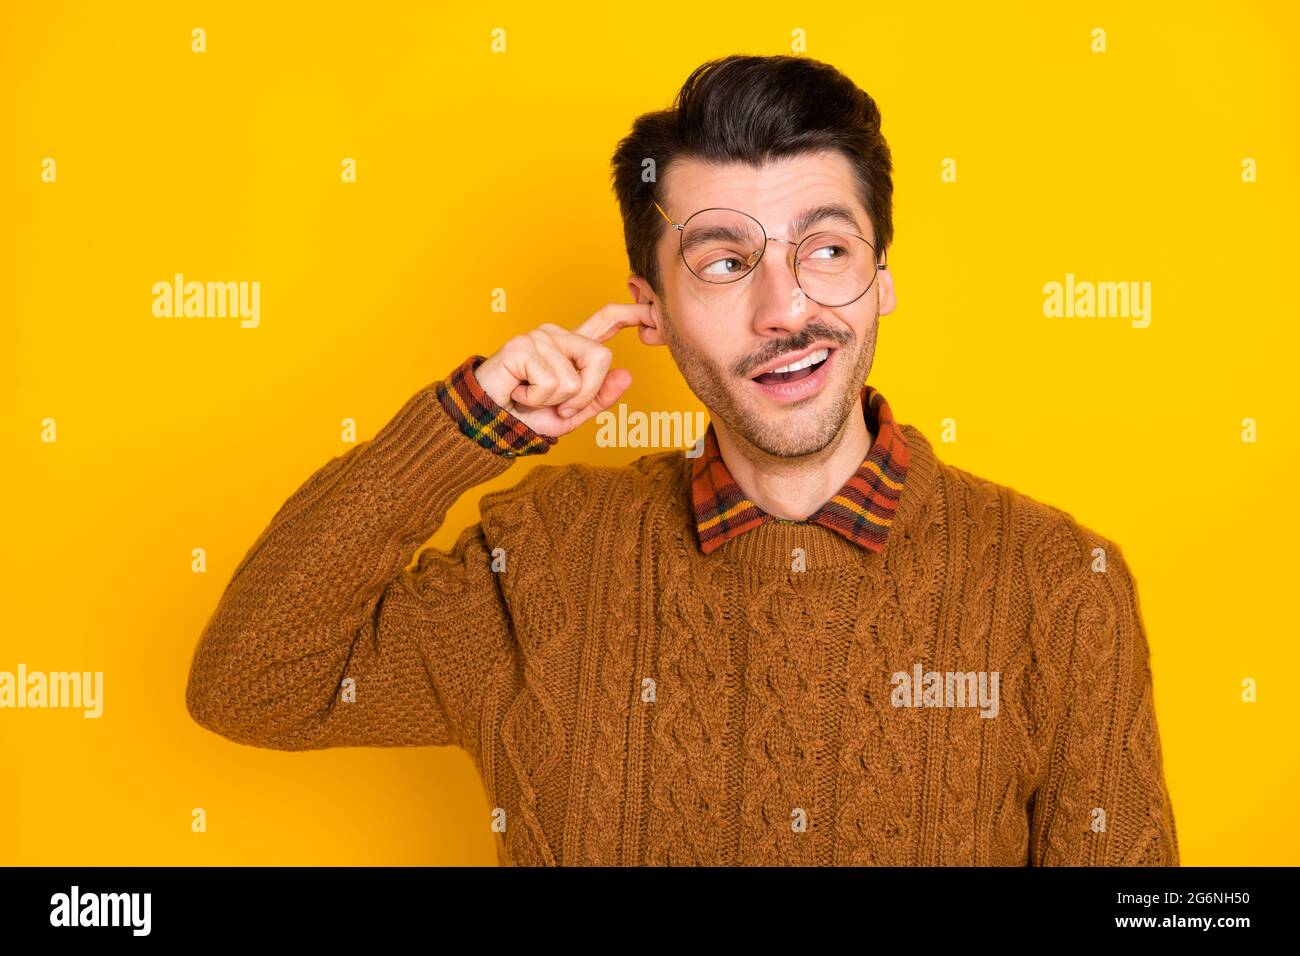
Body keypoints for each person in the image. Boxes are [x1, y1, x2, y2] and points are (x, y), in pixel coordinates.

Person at [185, 53, 1179, 867]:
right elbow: (254, 683)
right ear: (649, 308)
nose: (785, 306)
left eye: (826, 249)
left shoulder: (1059, 583)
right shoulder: (540, 557)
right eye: (723, 261)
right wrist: (471, 421)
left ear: (881, 281)